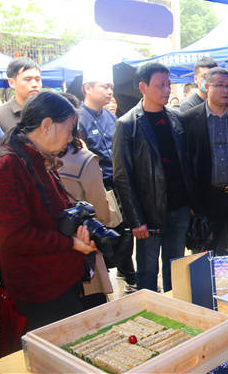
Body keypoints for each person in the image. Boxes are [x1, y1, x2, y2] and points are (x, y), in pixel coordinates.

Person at [0, 91, 97, 332]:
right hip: (38, 291)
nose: (71, 138)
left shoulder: (38, 158)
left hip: (59, 282)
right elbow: (14, 237)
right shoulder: (6, 168)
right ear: (47, 125)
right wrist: (70, 243)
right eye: (69, 130)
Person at [113, 62, 193, 292]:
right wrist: (135, 219)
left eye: (168, 84)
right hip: (149, 212)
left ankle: (173, 305)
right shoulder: (128, 124)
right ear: (143, 87)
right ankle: (150, 309)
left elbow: (185, 164)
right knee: (148, 271)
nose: (166, 90)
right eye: (160, 85)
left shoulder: (176, 118)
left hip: (179, 207)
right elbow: (122, 176)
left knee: (175, 267)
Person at [77, 67, 137, 293]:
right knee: (101, 237)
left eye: (111, 87)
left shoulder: (111, 117)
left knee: (124, 232)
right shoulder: (78, 119)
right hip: (95, 189)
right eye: (104, 87)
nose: (110, 91)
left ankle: (128, 274)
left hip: (118, 185)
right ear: (88, 88)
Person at [182, 67, 228, 256]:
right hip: (208, 197)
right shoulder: (190, 119)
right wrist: (193, 202)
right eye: (220, 85)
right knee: (207, 252)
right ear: (207, 87)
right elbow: (187, 162)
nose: (225, 90)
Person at [0, 58, 42, 132]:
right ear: (12, 83)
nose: (34, 84)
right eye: (28, 79)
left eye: (37, 79)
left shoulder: (49, 111)